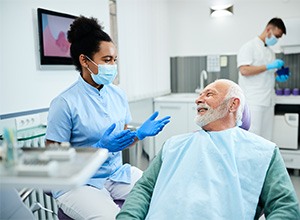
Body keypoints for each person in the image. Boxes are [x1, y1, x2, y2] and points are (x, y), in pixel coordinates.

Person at [116, 79, 300, 220]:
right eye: (200, 95)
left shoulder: (263, 152)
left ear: (233, 104)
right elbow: (145, 188)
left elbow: (285, 207)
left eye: (209, 94)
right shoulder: (174, 145)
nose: (198, 100)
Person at [45, 16, 170, 219]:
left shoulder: (117, 94)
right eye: (107, 60)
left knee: (165, 193)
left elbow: (120, 139)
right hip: (79, 182)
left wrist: (137, 134)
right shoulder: (65, 103)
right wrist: (98, 150)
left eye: (115, 60)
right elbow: (56, 162)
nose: (112, 65)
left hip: (115, 174)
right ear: (84, 60)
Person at [237, 17, 288, 141]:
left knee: (266, 138)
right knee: (252, 137)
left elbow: (268, 73)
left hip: (268, 100)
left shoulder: (271, 52)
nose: (277, 39)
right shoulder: (249, 47)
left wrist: (278, 75)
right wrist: (268, 66)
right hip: (253, 100)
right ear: (268, 29)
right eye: (277, 36)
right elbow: (244, 70)